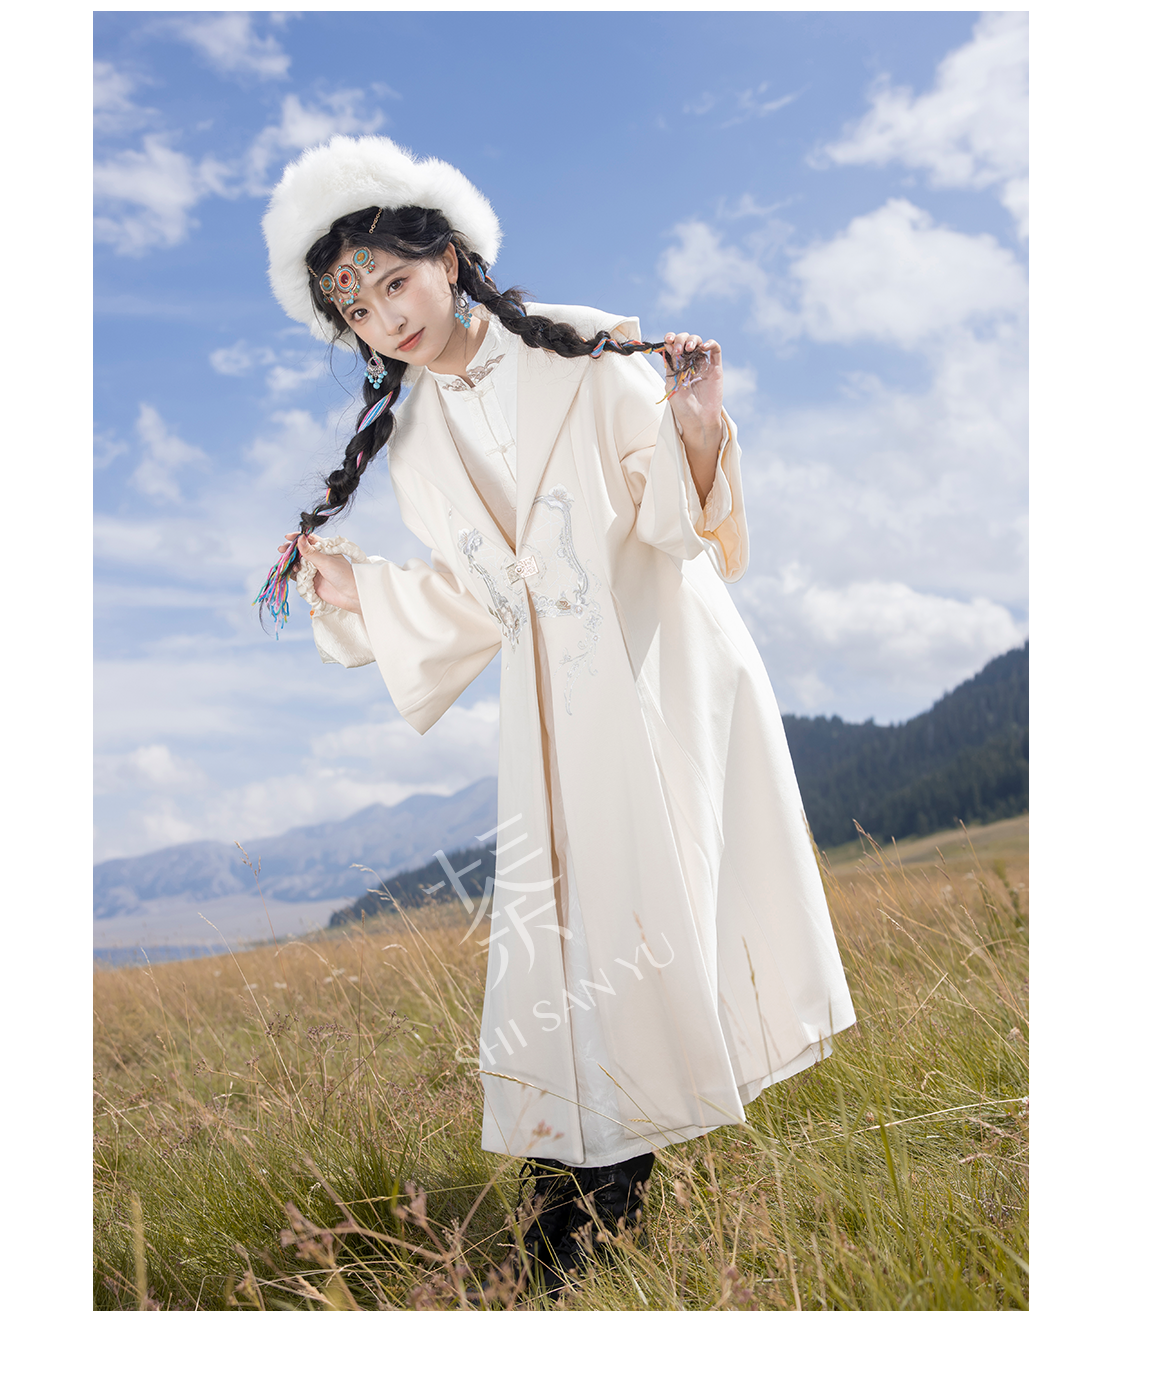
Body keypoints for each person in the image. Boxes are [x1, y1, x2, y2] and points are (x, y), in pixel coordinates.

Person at [260, 134, 856, 1297]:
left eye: (396, 280)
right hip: (558, 718)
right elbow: (483, 599)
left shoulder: (580, 350)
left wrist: (697, 423)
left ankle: (579, 1237)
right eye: (358, 307)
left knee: (643, 929)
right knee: (578, 956)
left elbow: (674, 524)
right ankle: (576, 1236)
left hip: (661, 676)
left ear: (449, 259)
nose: (386, 316)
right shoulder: (416, 444)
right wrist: (356, 587)